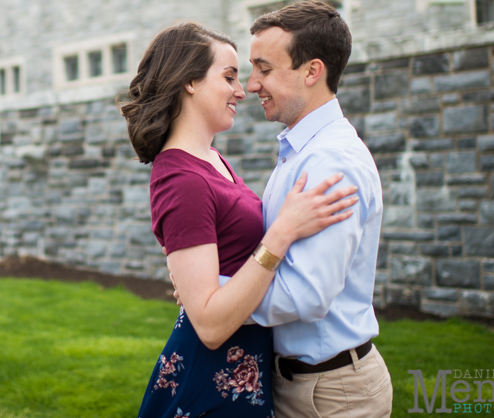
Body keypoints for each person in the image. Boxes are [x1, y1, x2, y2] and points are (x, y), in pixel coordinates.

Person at [119, 21, 360, 418]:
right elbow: (211, 325)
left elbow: (218, 274)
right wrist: (281, 233)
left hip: (248, 370)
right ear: (189, 82)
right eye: (229, 76)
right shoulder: (182, 178)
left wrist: (216, 284)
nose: (242, 89)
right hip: (212, 383)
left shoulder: (212, 161)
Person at [236, 0, 393, 417]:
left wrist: (214, 294)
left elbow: (305, 295)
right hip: (308, 383)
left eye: (264, 69)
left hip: (330, 395)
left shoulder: (329, 162)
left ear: (311, 71)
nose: (252, 85)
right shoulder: (303, 150)